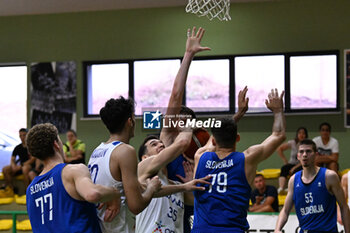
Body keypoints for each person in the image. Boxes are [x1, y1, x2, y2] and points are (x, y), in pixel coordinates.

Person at [192, 88, 286, 232]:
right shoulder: (247, 159)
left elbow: (218, 135)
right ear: (237, 138)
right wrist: (278, 111)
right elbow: (279, 135)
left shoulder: (200, 156)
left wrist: (239, 114)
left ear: (213, 141)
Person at [26, 123, 122, 233]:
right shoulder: (72, 171)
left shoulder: (30, 189)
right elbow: (92, 194)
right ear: (56, 144)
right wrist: (114, 193)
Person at [87, 96, 162, 233]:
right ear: (130, 121)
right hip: (118, 229)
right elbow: (136, 205)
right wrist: (152, 188)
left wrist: (183, 187)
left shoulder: (97, 151)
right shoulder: (125, 151)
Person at [136, 130, 211, 233]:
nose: (161, 145)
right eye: (154, 144)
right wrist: (188, 127)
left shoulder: (178, 186)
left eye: (162, 144)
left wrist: (192, 179)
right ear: (145, 158)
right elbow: (182, 143)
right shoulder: (142, 170)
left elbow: (200, 202)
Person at [275, 139, 350, 233]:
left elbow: (343, 206)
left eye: (308, 151)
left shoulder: (329, 176)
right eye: (301, 152)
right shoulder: (293, 180)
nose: (305, 154)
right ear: (298, 156)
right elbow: (285, 210)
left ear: (316, 155)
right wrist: (277, 229)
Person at [276, 127, 308, 194]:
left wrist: (294, 167)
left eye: (303, 133)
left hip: (302, 164)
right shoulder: (293, 142)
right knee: (284, 168)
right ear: (297, 134)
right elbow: (279, 149)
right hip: (292, 163)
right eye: (300, 133)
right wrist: (285, 160)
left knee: (296, 171)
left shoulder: (307, 145)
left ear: (306, 135)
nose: (301, 135)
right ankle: (281, 188)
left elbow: (305, 159)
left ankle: (291, 188)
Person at [0, 128, 30, 197]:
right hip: (20, 166)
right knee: (5, 169)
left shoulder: (31, 146)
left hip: (29, 165)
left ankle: (27, 191)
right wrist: (13, 166)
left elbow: (33, 159)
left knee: (25, 169)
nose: (22, 137)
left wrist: (21, 166)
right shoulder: (18, 147)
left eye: (24, 135)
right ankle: (11, 189)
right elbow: (12, 159)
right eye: (21, 136)